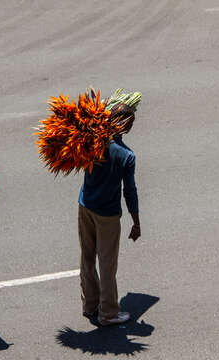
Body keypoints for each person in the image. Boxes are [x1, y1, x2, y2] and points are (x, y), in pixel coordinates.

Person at [78, 104, 141, 326]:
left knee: (87, 256)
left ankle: (90, 305)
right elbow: (129, 191)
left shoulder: (91, 140)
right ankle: (108, 313)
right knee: (107, 263)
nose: (132, 126)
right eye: (131, 122)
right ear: (123, 125)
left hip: (85, 205)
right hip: (107, 214)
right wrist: (136, 221)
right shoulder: (126, 156)